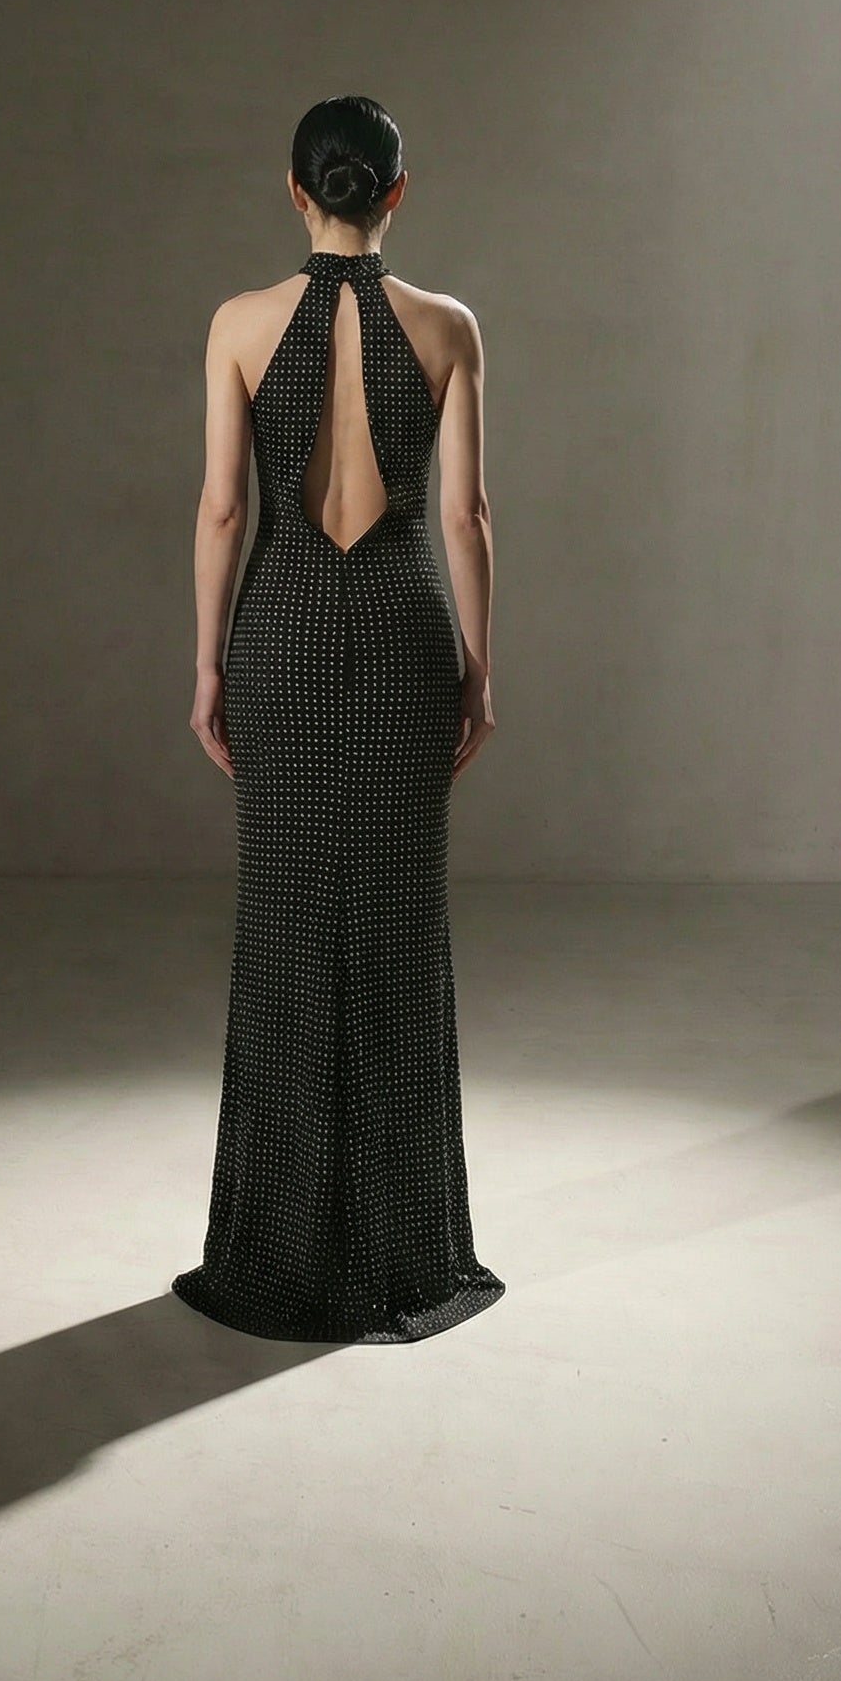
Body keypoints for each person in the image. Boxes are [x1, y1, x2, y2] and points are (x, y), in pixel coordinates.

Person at [172, 94, 506, 1343]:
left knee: (288, 933)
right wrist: (478, 668)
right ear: (397, 192)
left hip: (285, 629)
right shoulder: (447, 326)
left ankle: (281, 1250)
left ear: (294, 188)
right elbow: (465, 517)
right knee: (398, 929)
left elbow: (223, 509)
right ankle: (404, 1250)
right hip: (407, 630)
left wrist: (208, 666)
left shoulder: (239, 323)